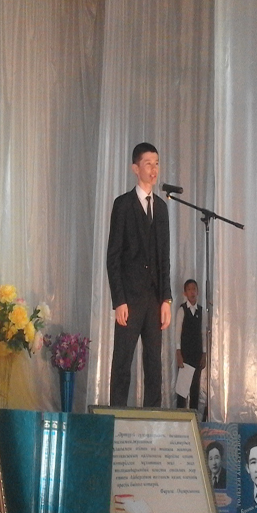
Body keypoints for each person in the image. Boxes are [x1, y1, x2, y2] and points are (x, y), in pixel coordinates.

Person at [106, 142, 172, 407]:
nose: (153, 169)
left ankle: (152, 418)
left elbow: (164, 258)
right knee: (123, 361)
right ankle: (116, 416)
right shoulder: (123, 205)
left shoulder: (162, 208)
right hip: (129, 299)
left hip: (154, 299)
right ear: (136, 168)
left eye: (156, 163)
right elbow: (113, 257)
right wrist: (119, 301)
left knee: (154, 364)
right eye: (148, 164)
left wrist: (166, 299)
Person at [174, 278, 204, 410]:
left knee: (195, 388)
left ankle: (194, 415)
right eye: (189, 289)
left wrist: (204, 353)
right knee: (182, 390)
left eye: (194, 289)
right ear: (185, 293)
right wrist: (178, 352)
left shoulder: (201, 311)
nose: (192, 292)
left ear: (198, 292)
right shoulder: (182, 310)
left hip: (197, 354)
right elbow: (177, 333)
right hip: (185, 355)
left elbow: (203, 333)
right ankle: (180, 416)